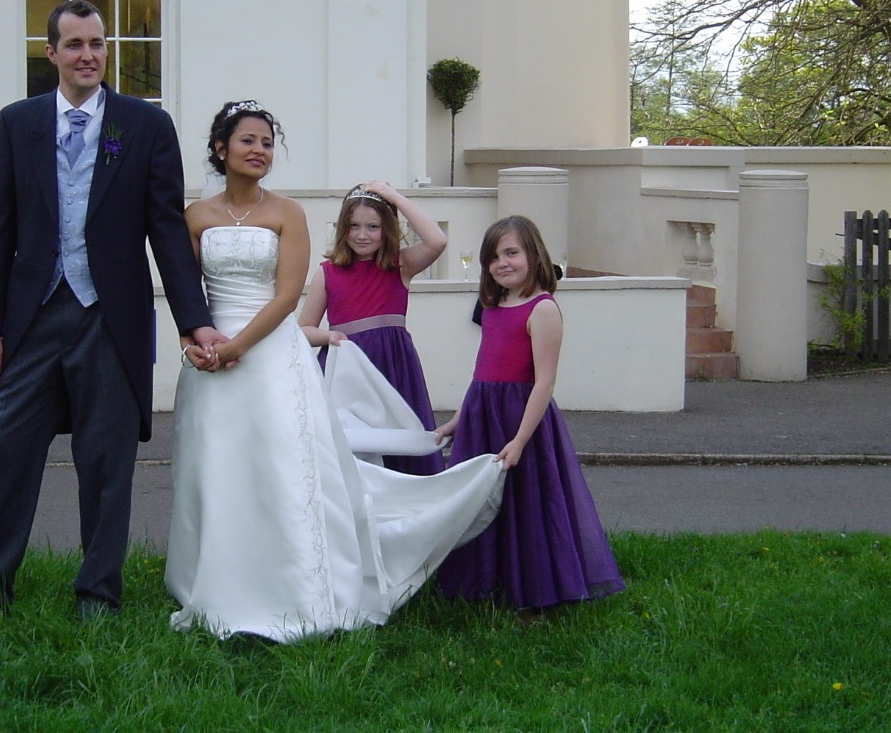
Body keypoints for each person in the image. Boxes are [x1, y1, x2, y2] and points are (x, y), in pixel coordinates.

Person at [164, 101, 507, 643]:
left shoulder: (288, 214)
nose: (259, 151)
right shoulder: (195, 217)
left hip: (269, 355)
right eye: (248, 140)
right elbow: (186, 292)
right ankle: (213, 579)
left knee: (281, 469)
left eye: (267, 143)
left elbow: (285, 299)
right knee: (217, 468)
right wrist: (194, 343)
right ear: (220, 149)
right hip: (209, 356)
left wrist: (238, 348)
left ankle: (293, 583)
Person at [0, 0, 223, 620]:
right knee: (9, 453)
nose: (89, 56)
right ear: (51, 53)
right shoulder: (17, 123)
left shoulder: (145, 125)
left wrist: (194, 318)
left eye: (98, 44)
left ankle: (98, 594)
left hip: (110, 319)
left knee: (107, 464)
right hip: (33, 317)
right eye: (74, 45)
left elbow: (164, 229)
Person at [434, 216, 624, 619]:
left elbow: (544, 382)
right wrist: (460, 419)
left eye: (511, 253)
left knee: (527, 505)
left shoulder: (543, 310)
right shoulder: (492, 306)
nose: (502, 263)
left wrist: (520, 440)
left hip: (523, 423)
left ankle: (534, 593)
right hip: (484, 416)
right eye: (493, 257)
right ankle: (483, 582)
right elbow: (481, 373)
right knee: (481, 503)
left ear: (534, 255)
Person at [298, 181, 446, 475]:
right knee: (352, 449)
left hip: (393, 369)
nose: (362, 235)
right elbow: (302, 330)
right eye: (353, 226)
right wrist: (329, 336)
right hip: (348, 376)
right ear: (343, 228)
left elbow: (437, 241)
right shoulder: (327, 273)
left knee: (400, 442)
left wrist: (394, 197)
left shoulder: (400, 265)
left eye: (373, 227)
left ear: (387, 229)